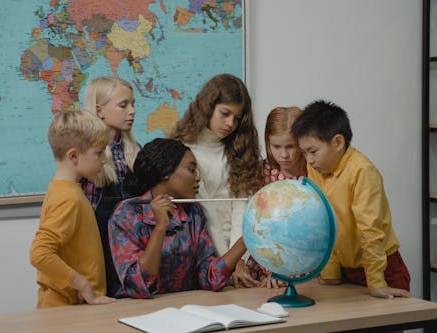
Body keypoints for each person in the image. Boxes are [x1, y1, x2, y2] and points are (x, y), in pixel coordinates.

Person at [291, 100, 411, 299]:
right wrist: (330, 273)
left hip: (381, 269)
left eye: (313, 151)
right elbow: (323, 222)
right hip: (347, 270)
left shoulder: (362, 171)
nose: (309, 160)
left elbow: (370, 230)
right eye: (304, 153)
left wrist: (376, 282)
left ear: (338, 142)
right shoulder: (315, 169)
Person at [108, 138, 248, 298]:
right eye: (191, 169)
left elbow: (210, 278)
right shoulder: (126, 214)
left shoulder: (192, 212)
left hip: (183, 309)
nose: (197, 178)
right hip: (135, 313)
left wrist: (246, 240)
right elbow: (138, 285)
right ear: (166, 172)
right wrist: (160, 228)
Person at [170, 73, 263, 288]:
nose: (230, 123)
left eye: (237, 118)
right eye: (225, 113)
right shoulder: (183, 151)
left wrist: (238, 259)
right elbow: (206, 214)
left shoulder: (239, 151)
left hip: (236, 258)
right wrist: (226, 263)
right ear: (207, 107)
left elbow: (241, 209)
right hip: (201, 256)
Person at [30, 110, 116, 308]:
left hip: (73, 309)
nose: (103, 159)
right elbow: (40, 253)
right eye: (98, 153)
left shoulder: (63, 190)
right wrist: (83, 285)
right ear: (74, 156)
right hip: (65, 311)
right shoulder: (68, 198)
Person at [82, 76, 140, 297]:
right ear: (100, 111)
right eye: (123, 105)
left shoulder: (136, 152)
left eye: (133, 104)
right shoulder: (88, 157)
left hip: (131, 245)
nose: (132, 111)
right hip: (99, 246)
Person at [247, 106, 307, 288]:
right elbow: (256, 226)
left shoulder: (314, 173)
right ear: (267, 142)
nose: (283, 154)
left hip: (308, 266)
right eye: (276, 147)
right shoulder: (260, 173)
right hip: (267, 266)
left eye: (290, 146)